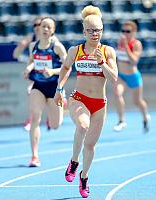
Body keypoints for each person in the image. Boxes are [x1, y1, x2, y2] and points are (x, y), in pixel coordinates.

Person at [54, 5, 118, 198]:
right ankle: (74, 162)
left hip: (99, 104)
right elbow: (65, 68)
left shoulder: (107, 52)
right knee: (82, 125)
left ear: (102, 31)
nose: (94, 34)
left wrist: (102, 63)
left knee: (90, 146)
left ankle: (84, 177)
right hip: (79, 99)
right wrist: (59, 89)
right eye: (90, 30)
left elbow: (114, 78)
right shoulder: (76, 50)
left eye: (97, 30)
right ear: (84, 31)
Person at [23, 16, 67, 167]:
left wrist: (53, 71)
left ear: (53, 31)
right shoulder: (33, 46)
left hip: (54, 88)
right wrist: (28, 69)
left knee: (55, 125)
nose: (45, 29)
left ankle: (56, 108)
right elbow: (31, 62)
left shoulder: (57, 47)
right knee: (35, 117)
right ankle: (34, 156)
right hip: (39, 86)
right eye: (43, 26)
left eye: (49, 27)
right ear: (39, 29)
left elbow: (67, 68)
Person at [13, 16, 66, 131]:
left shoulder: (54, 42)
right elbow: (17, 54)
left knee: (55, 124)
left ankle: (56, 105)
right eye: (36, 25)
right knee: (31, 93)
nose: (38, 28)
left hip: (52, 79)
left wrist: (52, 71)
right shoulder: (31, 39)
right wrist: (26, 61)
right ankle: (32, 119)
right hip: (37, 75)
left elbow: (63, 65)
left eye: (39, 25)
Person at [113, 20, 151, 133]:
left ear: (134, 32)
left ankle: (145, 117)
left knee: (137, 101)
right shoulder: (119, 42)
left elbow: (134, 61)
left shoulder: (136, 44)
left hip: (133, 76)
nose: (125, 33)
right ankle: (121, 121)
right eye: (123, 31)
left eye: (128, 31)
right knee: (117, 93)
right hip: (122, 76)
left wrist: (126, 47)